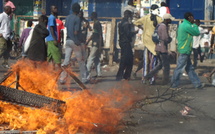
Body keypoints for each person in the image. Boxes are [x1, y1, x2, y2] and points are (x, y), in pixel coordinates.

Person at [171, 12, 204, 89]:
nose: (193, 19)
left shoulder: (182, 25)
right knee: (180, 68)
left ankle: (197, 84)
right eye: (192, 17)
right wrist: (195, 25)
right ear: (189, 17)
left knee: (189, 68)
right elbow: (196, 32)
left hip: (184, 48)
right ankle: (174, 84)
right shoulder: (187, 26)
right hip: (185, 49)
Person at [134, 4, 163, 84]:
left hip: (146, 42)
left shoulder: (145, 18)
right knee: (153, 62)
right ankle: (152, 79)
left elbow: (136, 22)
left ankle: (144, 79)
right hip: (155, 43)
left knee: (146, 62)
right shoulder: (159, 19)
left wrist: (142, 28)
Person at [60, 3, 89, 84]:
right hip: (75, 41)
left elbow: (67, 28)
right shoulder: (77, 19)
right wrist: (78, 41)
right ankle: (84, 78)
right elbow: (76, 32)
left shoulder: (68, 17)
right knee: (81, 61)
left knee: (66, 60)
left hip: (68, 40)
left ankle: (62, 78)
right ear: (78, 10)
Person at [144, 13, 174, 85]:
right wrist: (170, 39)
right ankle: (165, 80)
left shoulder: (159, 25)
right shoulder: (163, 27)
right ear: (167, 20)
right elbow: (164, 38)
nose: (170, 21)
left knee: (160, 65)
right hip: (162, 48)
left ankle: (148, 76)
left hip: (158, 47)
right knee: (166, 65)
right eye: (170, 20)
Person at [116, 10, 137, 81]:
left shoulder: (122, 22)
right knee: (127, 60)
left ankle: (124, 76)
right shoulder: (126, 24)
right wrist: (134, 32)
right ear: (128, 16)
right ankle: (123, 76)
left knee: (126, 59)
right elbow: (128, 34)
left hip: (123, 42)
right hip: (126, 43)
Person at [85, 12, 103, 78]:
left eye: (91, 16)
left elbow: (100, 35)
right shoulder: (96, 23)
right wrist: (88, 41)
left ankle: (87, 75)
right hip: (96, 43)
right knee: (96, 59)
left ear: (93, 16)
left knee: (90, 58)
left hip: (96, 43)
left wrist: (100, 45)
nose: (91, 17)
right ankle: (99, 73)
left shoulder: (97, 24)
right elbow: (94, 33)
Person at [46, 5, 61, 70]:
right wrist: (55, 39)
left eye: (56, 8)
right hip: (52, 39)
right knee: (56, 53)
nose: (56, 9)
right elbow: (51, 28)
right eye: (54, 8)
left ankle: (44, 68)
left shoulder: (52, 17)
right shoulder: (52, 18)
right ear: (51, 10)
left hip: (49, 39)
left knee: (49, 55)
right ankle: (60, 68)